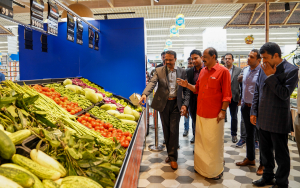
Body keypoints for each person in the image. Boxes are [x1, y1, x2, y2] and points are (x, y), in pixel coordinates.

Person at [177, 47, 231, 180]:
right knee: (201, 143)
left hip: (214, 115)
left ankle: (214, 170)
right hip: (200, 113)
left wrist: (223, 111)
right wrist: (187, 85)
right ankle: (201, 168)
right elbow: (197, 89)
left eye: (205, 56)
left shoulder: (223, 72)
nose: (203, 59)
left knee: (213, 144)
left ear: (213, 56)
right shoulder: (202, 72)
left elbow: (227, 95)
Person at [251, 42, 298, 188]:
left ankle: (281, 182)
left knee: (281, 154)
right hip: (262, 118)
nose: (263, 61)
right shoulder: (262, 68)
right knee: (265, 152)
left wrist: (271, 76)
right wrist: (254, 111)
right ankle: (267, 177)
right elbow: (257, 90)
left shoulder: (291, 70)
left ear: (276, 55)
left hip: (278, 118)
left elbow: (284, 94)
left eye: (265, 58)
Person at [139, 50, 190, 170]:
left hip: (176, 104)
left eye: (170, 60)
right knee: (166, 130)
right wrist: (145, 94)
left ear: (175, 59)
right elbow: (152, 82)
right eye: (165, 60)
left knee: (174, 130)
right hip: (164, 104)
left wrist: (185, 105)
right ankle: (170, 153)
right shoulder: (159, 70)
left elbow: (186, 90)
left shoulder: (182, 71)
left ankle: (173, 158)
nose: (167, 62)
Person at [235, 49, 264, 176]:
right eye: (248, 56)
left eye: (251, 57)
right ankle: (250, 158)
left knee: (262, 137)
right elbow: (243, 85)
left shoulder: (263, 71)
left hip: (257, 108)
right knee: (249, 135)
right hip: (245, 107)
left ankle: (263, 164)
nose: (248, 58)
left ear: (259, 60)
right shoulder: (246, 70)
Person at [184, 50, 202, 143]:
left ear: (201, 57)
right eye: (192, 59)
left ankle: (203, 143)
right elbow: (187, 90)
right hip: (193, 102)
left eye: (196, 58)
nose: (194, 61)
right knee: (195, 122)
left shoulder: (206, 70)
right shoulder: (189, 72)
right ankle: (196, 140)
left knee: (203, 124)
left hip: (205, 102)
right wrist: (186, 105)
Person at [225, 53, 241, 143]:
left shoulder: (238, 70)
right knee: (220, 116)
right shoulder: (220, 69)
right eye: (226, 58)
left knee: (234, 117)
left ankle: (234, 134)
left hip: (234, 97)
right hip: (222, 97)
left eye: (229, 58)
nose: (227, 60)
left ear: (232, 60)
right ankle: (219, 134)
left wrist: (240, 98)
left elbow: (241, 85)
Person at [183, 57, 194, 138]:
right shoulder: (185, 73)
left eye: (191, 63)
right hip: (186, 99)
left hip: (194, 98)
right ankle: (186, 129)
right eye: (189, 63)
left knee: (194, 118)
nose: (190, 65)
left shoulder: (197, 73)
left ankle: (194, 134)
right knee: (186, 116)